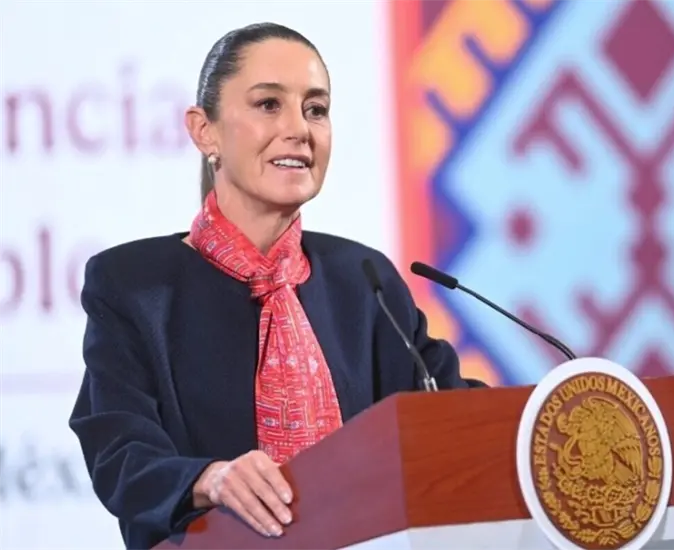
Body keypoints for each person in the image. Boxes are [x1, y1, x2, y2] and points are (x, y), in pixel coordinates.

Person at [68, 22, 483, 550]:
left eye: (316, 109)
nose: (299, 129)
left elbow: (452, 419)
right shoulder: (135, 285)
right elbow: (120, 453)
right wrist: (209, 479)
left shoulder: (364, 278)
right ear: (204, 131)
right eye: (268, 105)